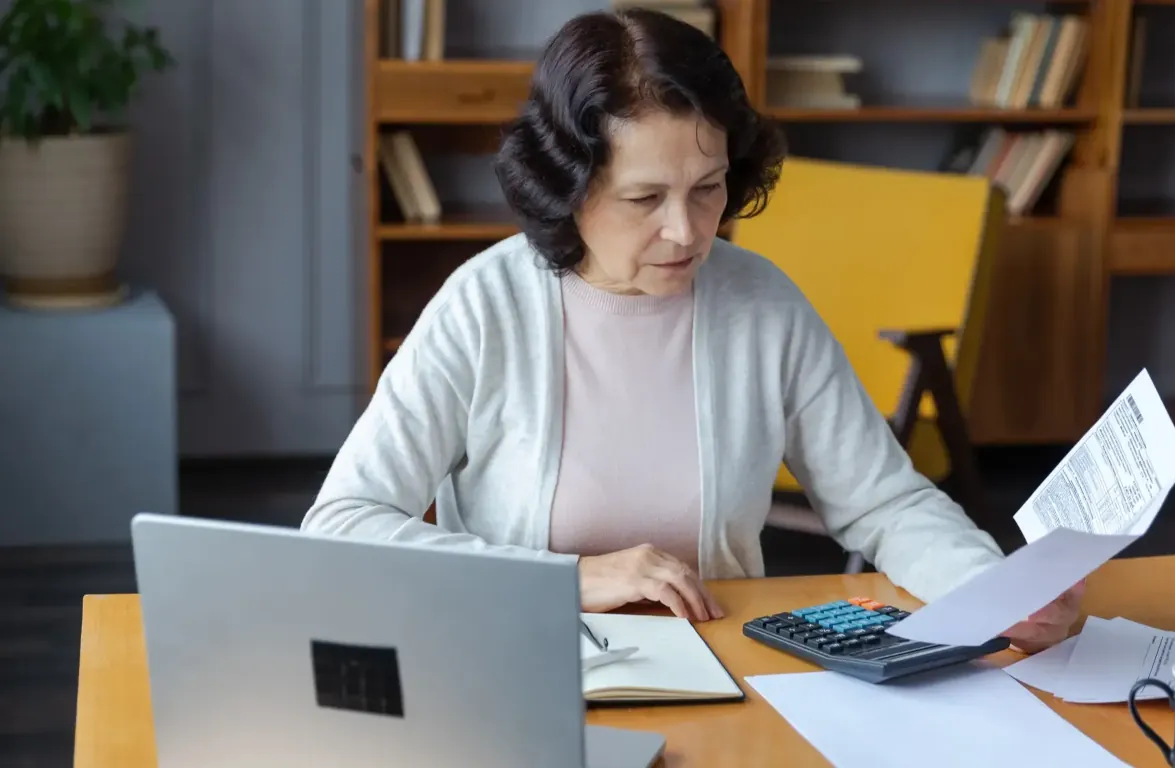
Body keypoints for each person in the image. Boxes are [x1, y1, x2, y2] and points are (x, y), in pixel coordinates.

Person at [302, 8, 1080, 652]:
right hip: (516, 657)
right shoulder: (484, 306)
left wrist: (994, 590)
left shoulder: (762, 304)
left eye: (708, 189)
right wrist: (568, 578)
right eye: (644, 200)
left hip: (723, 660)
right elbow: (342, 525)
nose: (688, 233)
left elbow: (884, 504)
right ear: (566, 188)